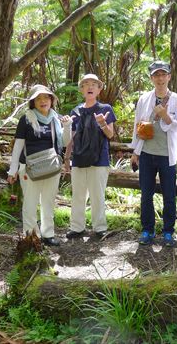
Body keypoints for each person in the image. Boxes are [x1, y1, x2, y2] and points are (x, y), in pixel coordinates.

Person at [130, 61, 177, 246]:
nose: (160, 78)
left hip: (167, 155)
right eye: (156, 75)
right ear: (151, 78)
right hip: (146, 153)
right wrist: (135, 152)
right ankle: (147, 230)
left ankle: (168, 232)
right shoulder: (144, 99)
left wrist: (164, 115)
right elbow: (138, 124)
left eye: (163, 75)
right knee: (146, 194)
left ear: (169, 76)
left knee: (169, 194)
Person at [61, 74, 116, 239]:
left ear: (99, 89)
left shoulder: (105, 109)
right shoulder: (76, 111)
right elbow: (71, 138)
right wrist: (67, 159)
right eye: (86, 84)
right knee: (78, 194)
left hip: (100, 159)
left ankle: (100, 228)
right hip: (78, 158)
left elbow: (110, 134)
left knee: (97, 194)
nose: (90, 87)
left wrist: (102, 123)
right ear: (82, 90)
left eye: (94, 84)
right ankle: (77, 227)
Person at [7, 84, 63, 246]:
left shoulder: (55, 119)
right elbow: (18, 145)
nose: (43, 101)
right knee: (30, 203)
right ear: (33, 102)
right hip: (29, 168)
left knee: (48, 202)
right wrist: (13, 169)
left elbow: (63, 142)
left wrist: (67, 126)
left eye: (46, 97)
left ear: (51, 100)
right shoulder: (27, 119)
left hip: (51, 167)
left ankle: (48, 234)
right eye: (38, 98)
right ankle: (31, 236)